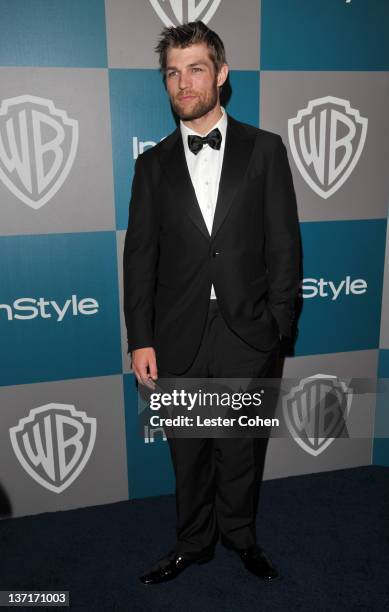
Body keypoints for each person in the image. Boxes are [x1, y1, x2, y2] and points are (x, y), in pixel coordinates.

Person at [123, 20, 301, 585]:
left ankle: (242, 537)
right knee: (189, 453)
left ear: (221, 74)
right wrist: (141, 338)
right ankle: (193, 543)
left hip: (249, 333)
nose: (183, 84)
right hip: (177, 334)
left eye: (195, 69)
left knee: (241, 451)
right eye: (173, 73)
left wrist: (279, 326)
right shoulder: (151, 167)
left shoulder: (265, 150)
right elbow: (140, 261)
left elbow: (285, 247)